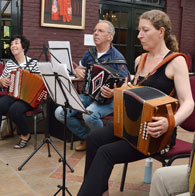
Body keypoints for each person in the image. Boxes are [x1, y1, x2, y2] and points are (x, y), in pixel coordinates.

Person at [77, 10, 194, 196]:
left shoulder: (176, 61)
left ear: (161, 31)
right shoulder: (141, 59)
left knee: (105, 153)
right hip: (132, 127)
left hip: (157, 134)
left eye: (145, 30)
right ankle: (101, 192)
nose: (139, 35)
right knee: (94, 139)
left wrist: (169, 122)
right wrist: (119, 91)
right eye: (139, 30)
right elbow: (137, 92)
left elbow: (188, 103)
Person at [54, 20, 129, 151]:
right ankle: (88, 138)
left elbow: (126, 84)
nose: (95, 33)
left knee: (89, 115)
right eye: (94, 31)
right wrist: (77, 70)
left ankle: (101, 141)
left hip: (108, 100)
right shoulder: (90, 53)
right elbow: (79, 68)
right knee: (60, 112)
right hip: (88, 95)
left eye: (100, 31)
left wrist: (113, 92)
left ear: (110, 36)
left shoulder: (117, 58)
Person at [0, 35, 39, 152]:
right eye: (11, 44)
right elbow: (0, 81)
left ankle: (25, 134)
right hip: (12, 94)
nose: (13, 46)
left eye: (16, 43)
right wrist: (2, 81)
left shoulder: (33, 63)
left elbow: (40, 82)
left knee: (15, 110)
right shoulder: (9, 64)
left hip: (28, 98)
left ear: (24, 47)